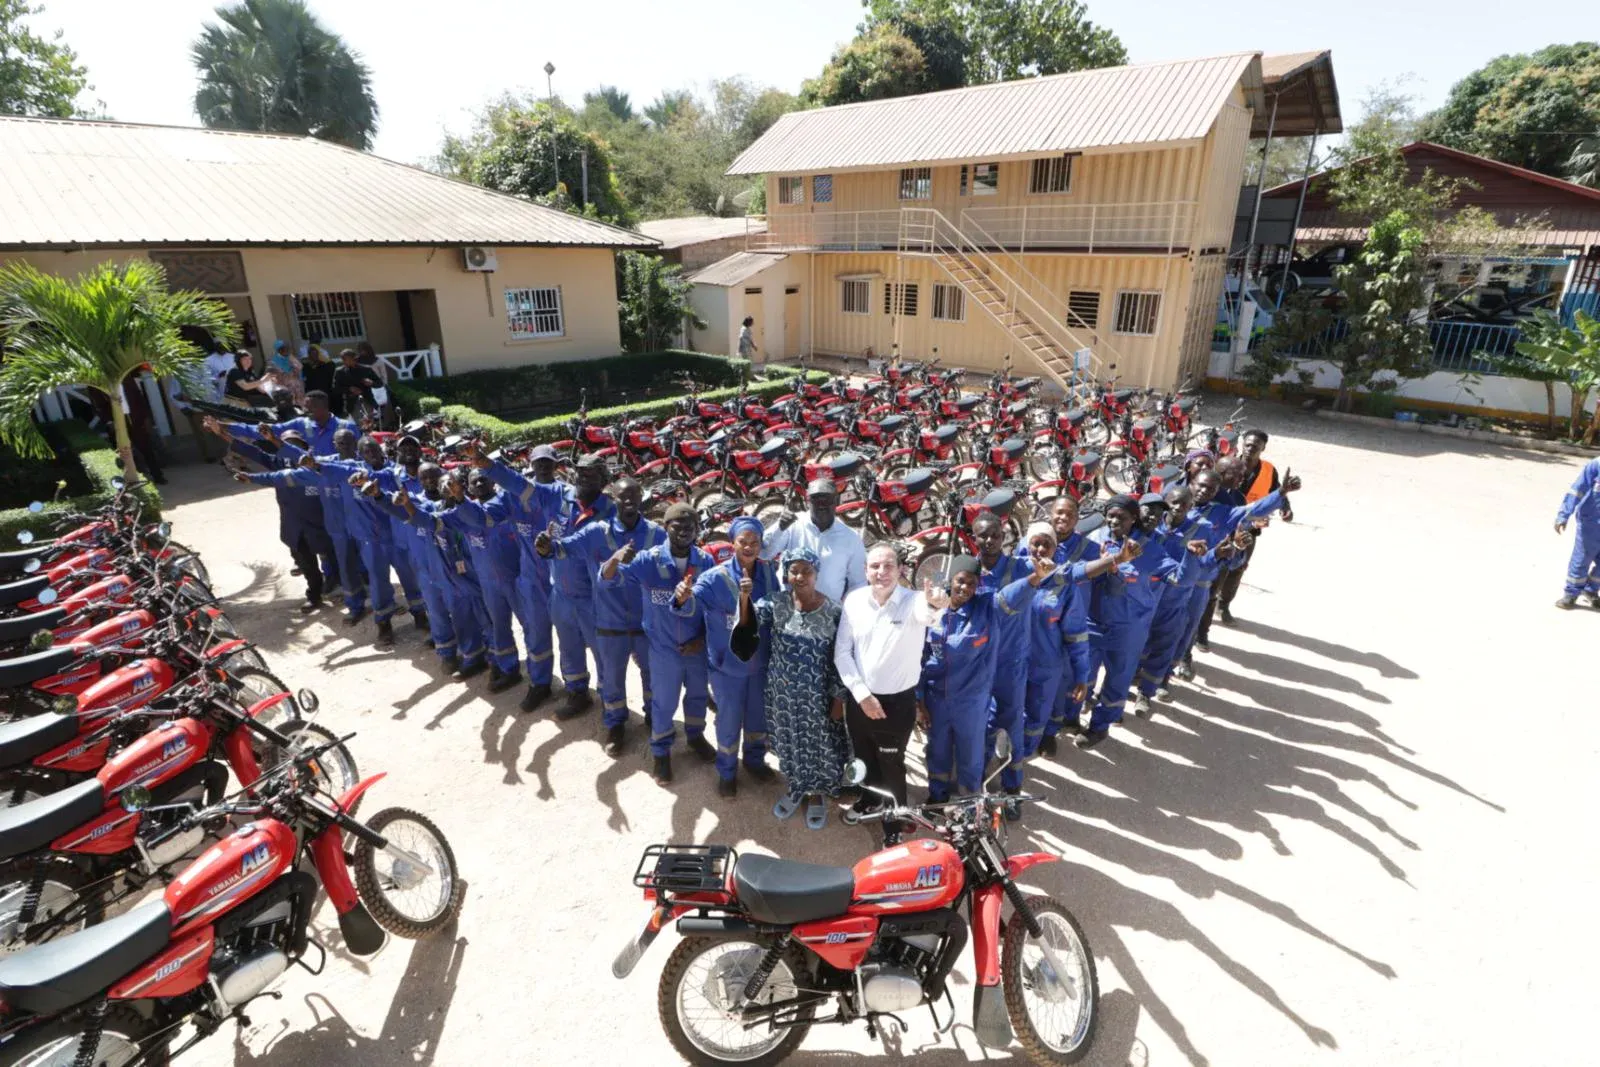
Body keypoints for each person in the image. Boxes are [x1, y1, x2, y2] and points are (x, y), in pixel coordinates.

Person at [834, 543, 948, 844]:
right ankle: (869, 800)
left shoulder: (913, 602)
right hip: (860, 702)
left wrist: (936, 603)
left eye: (888, 566)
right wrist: (861, 695)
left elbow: (929, 614)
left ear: (900, 570)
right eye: (875, 566)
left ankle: (894, 823)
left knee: (892, 764)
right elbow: (842, 652)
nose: (881, 572)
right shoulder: (854, 600)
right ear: (865, 570)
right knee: (864, 758)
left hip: (897, 705)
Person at [730, 548, 850, 829]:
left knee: (820, 745)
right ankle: (796, 788)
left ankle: (818, 794)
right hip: (781, 694)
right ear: (786, 573)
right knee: (788, 742)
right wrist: (744, 597)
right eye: (793, 571)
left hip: (818, 695)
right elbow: (748, 624)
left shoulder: (834, 611)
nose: (799, 577)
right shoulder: (776, 603)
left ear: (816, 573)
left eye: (806, 571)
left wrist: (838, 698)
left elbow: (842, 657)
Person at [921, 552, 1051, 805]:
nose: (965, 588)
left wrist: (1035, 578)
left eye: (971, 583)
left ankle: (970, 805)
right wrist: (919, 700)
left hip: (971, 704)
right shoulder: (933, 612)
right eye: (960, 581)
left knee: (971, 757)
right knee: (937, 752)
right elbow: (919, 659)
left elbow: (1010, 596)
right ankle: (937, 798)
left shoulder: (987, 608)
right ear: (950, 580)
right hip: (936, 700)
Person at [545, 477, 663, 752]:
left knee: (652, 674)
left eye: (635, 495)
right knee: (612, 676)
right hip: (609, 622)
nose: (630, 501)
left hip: (646, 623)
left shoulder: (656, 534)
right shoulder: (597, 532)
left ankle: (654, 717)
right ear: (613, 499)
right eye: (623, 497)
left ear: (643, 496)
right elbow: (566, 548)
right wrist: (547, 547)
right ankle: (615, 724)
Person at [609, 502, 716, 785]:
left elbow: (713, 607)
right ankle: (661, 753)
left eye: (690, 527)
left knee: (696, 697)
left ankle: (695, 737)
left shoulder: (705, 562)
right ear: (665, 528)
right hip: (663, 650)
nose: (683, 531)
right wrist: (617, 560)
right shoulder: (648, 560)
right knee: (663, 703)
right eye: (676, 526)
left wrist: (703, 640)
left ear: (697, 530)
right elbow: (608, 579)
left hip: (695, 648)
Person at [678, 515, 779, 797]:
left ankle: (755, 761)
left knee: (758, 720)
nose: (749, 547)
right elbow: (688, 603)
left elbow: (779, 608)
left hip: (759, 665)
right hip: (727, 669)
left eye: (755, 542)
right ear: (732, 543)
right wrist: (681, 598)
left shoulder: (770, 574)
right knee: (729, 720)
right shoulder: (714, 578)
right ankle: (726, 771)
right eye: (742, 541)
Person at [513, 454, 614, 718]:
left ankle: (611, 706)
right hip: (561, 594)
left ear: (603, 480)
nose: (582, 478)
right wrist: (486, 465)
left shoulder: (610, 512)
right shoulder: (561, 499)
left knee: (603, 653)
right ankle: (577, 692)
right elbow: (518, 484)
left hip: (592, 599)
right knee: (569, 647)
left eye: (590, 474)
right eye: (579, 472)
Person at [470, 442, 563, 711]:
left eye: (548, 461)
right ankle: (540, 684)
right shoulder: (511, 497)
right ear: (530, 465)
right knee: (536, 635)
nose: (543, 466)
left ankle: (577, 689)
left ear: (557, 464)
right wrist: (459, 502)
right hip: (532, 579)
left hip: (564, 578)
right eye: (538, 462)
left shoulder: (562, 494)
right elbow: (483, 518)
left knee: (573, 639)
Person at [380, 464, 487, 679]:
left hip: (469, 573)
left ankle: (490, 658)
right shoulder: (431, 507)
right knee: (450, 615)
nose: (441, 486)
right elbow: (409, 513)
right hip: (441, 574)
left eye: (446, 482)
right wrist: (380, 497)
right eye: (440, 484)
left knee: (479, 615)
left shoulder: (469, 510)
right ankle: (461, 654)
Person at [1075, 495, 1164, 750]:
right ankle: (1079, 708)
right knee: (1083, 671)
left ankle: (1100, 727)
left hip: (1127, 626)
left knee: (1118, 677)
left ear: (1133, 519)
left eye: (1121, 517)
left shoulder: (1147, 547)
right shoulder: (1093, 541)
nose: (1114, 521)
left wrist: (1202, 557)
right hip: (1094, 621)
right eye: (1111, 515)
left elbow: (1177, 574)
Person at [436, 468, 527, 693]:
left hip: (516, 579)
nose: (479, 484)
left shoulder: (506, 505)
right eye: (473, 482)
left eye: (483, 479)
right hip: (489, 582)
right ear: (467, 487)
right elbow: (431, 522)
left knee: (531, 626)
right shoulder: (464, 512)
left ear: (493, 482)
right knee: (499, 626)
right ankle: (508, 668)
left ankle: (539, 677)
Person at [228, 429, 337, 612]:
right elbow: (254, 453)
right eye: (287, 444)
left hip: (320, 524)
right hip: (294, 525)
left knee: (332, 558)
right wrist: (225, 434)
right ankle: (315, 595)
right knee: (307, 564)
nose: (291, 449)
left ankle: (337, 586)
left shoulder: (316, 466)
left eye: (296, 445)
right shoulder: (277, 465)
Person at [269, 429, 368, 624]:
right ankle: (329, 599)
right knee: (323, 566)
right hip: (313, 528)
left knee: (355, 564)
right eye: (340, 442)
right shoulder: (291, 469)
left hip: (342, 527)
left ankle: (364, 595)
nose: (344, 446)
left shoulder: (355, 465)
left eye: (297, 445)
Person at [1214, 429, 1293, 625]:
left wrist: (1286, 509)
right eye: (1248, 445)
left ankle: (1223, 606)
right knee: (1216, 567)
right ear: (1242, 444)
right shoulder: (1227, 464)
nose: (1250, 449)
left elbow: (1278, 493)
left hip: (1249, 529)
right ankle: (1206, 604)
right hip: (1222, 526)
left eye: (1256, 446)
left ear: (1263, 448)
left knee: (1238, 568)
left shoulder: (1268, 470)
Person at [761, 479, 867, 603]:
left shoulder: (851, 537)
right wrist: (779, 529)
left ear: (836, 502)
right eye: (816, 500)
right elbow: (764, 554)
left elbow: (858, 583)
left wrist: (841, 610)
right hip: (789, 606)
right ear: (807, 502)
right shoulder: (791, 524)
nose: (821, 505)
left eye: (827, 500)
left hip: (827, 614)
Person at [212, 390, 354, 458]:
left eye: (309, 408)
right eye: (304, 407)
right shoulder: (300, 423)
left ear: (323, 407)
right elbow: (265, 431)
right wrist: (225, 426)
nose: (305, 410)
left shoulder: (347, 427)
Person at [1555, 456, 1600, 609]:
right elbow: (1577, 489)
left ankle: (1591, 590)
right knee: (1582, 559)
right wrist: (1564, 514)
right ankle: (1571, 594)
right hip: (1591, 523)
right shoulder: (1596, 465)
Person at [332, 348, 384, 421]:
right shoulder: (340, 372)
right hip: (352, 403)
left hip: (367, 401)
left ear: (354, 358)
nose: (344, 361)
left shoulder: (366, 369)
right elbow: (336, 388)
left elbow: (380, 383)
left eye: (347, 359)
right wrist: (349, 389)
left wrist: (371, 383)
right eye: (343, 359)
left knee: (369, 425)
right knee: (359, 426)